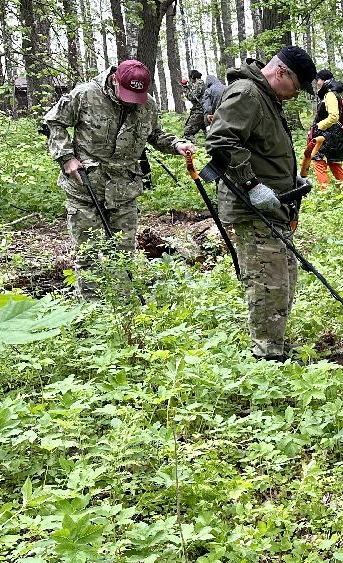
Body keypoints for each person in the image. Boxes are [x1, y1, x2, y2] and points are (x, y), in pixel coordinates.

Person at [42, 60, 196, 291]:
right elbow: (53, 121)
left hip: (124, 188)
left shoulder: (147, 104)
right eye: (126, 94)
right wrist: (66, 158)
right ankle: (92, 307)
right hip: (86, 187)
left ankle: (123, 302)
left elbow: (155, 134)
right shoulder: (85, 95)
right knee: (89, 254)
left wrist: (176, 144)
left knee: (123, 254)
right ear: (115, 79)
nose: (130, 101)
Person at [206, 45, 317, 361]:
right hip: (252, 207)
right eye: (296, 86)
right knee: (268, 281)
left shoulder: (267, 96)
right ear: (281, 72)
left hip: (275, 205)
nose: (296, 94)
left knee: (285, 276)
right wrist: (252, 185)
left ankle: (274, 342)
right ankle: (267, 354)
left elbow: (264, 148)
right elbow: (220, 141)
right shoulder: (247, 94)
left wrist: (291, 180)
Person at [307, 69, 343, 188]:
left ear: (322, 80)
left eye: (318, 80)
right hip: (335, 135)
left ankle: (324, 191)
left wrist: (318, 126)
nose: (317, 83)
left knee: (319, 162)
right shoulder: (335, 94)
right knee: (334, 163)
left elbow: (333, 117)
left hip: (328, 135)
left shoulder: (330, 94)